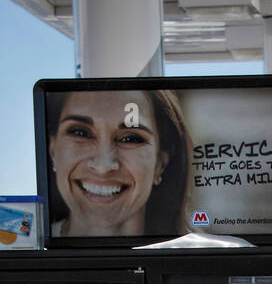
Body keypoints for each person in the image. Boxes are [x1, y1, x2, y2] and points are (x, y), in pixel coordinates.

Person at [47, 89, 191, 239]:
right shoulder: (26, 247)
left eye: (130, 139)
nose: (103, 167)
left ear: (160, 164)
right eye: (80, 133)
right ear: (53, 151)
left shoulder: (201, 250)